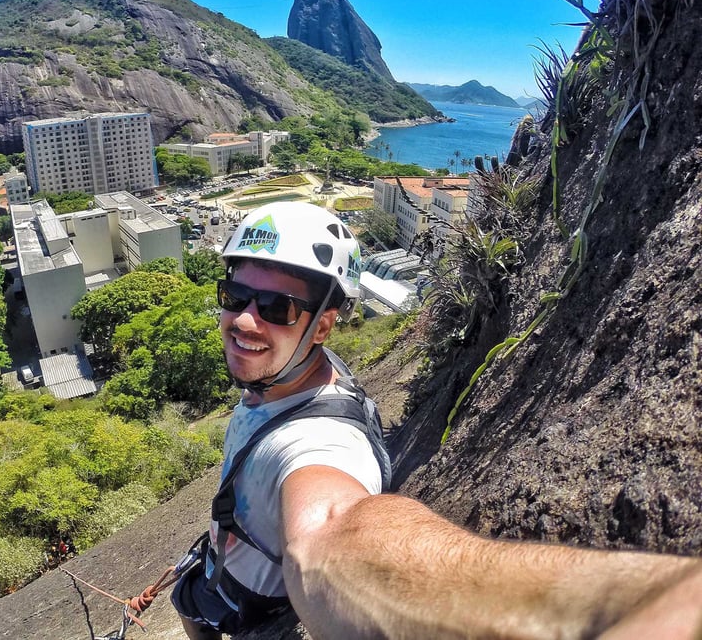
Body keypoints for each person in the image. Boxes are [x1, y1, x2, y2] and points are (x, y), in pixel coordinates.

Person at [171, 200, 702, 639]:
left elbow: (334, 530)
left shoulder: (320, 441)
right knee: (184, 598)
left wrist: (599, 612)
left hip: (248, 614)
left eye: (277, 307)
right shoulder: (299, 371)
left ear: (324, 326)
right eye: (235, 296)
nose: (243, 319)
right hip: (223, 577)